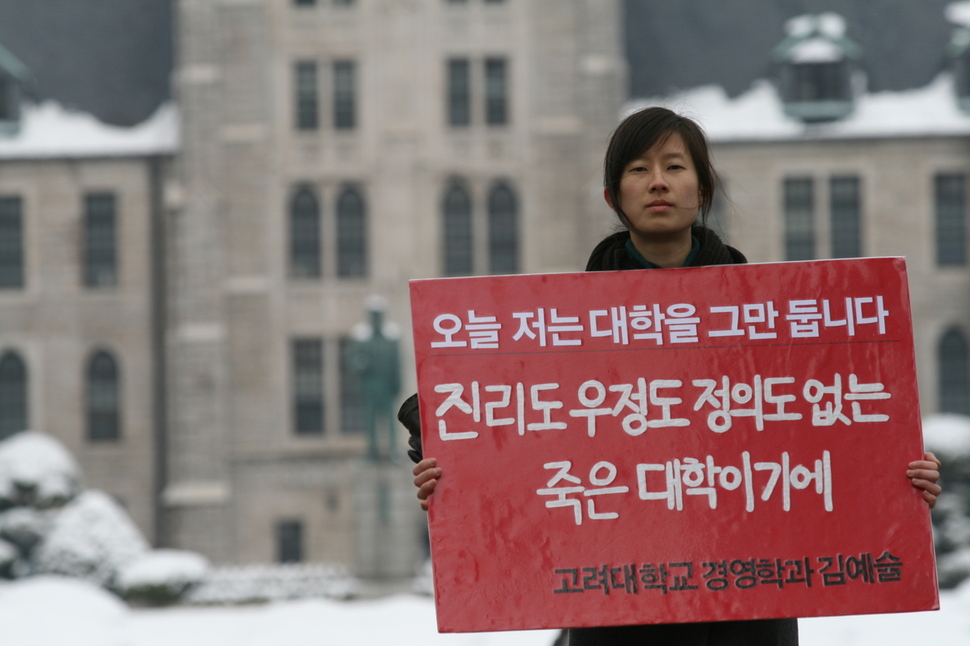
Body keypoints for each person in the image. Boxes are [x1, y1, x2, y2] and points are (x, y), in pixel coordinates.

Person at [400, 106, 943, 645]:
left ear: (703, 188)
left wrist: (900, 474)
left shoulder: (775, 321)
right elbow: (478, 410)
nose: (658, 182)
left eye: (675, 167)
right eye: (638, 169)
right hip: (618, 603)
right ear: (614, 197)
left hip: (747, 604)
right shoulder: (558, 324)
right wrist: (447, 477)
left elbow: (831, 423)